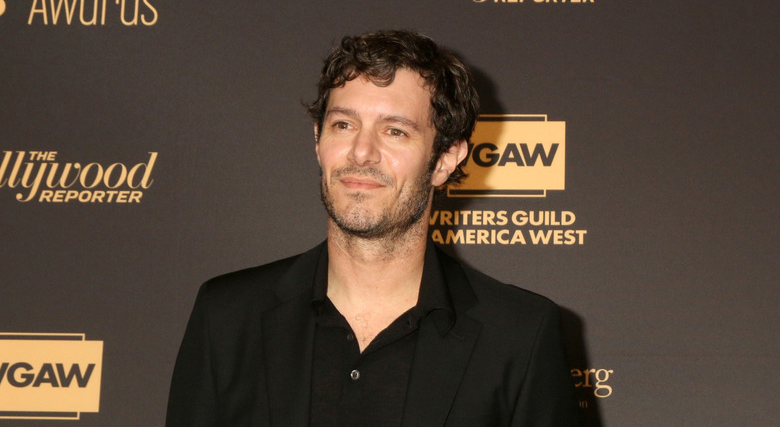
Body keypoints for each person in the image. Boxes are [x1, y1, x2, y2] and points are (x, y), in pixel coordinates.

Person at [166, 29, 580, 427]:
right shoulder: (227, 318)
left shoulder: (518, 336)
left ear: (444, 160)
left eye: (395, 131)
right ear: (318, 140)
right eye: (343, 125)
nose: (362, 152)